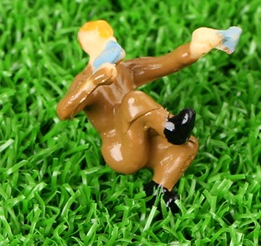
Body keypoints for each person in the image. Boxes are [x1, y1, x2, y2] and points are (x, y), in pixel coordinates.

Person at [56, 20, 233, 211]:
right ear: (89, 48)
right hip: (121, 150)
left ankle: (159, 191)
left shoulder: (126, 69)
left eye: (110, 37)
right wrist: (93, 82)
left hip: (145, 139)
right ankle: (171, 128)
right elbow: (64, 111)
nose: (111, 44)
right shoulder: (85, 81)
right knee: (133, 100)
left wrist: (196, 48)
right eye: (103, 42)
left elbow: (168, 62)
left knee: (186, 145)